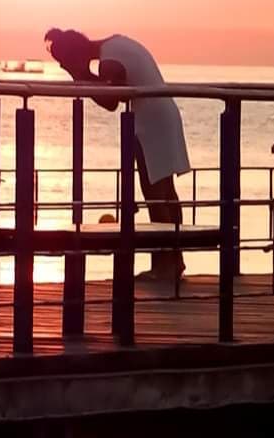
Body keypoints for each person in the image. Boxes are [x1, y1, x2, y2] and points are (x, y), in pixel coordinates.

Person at [45, 28, 191, 280]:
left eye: (65, 62)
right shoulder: (115, 44)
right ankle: (174, 261)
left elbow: (112, 100)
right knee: (166, 193)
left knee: (155, 195)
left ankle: (165, 264)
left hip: (150, 123)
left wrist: (81, 76)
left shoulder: (108, 62)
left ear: (75, 54)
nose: (65, 67)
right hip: (164, 114)